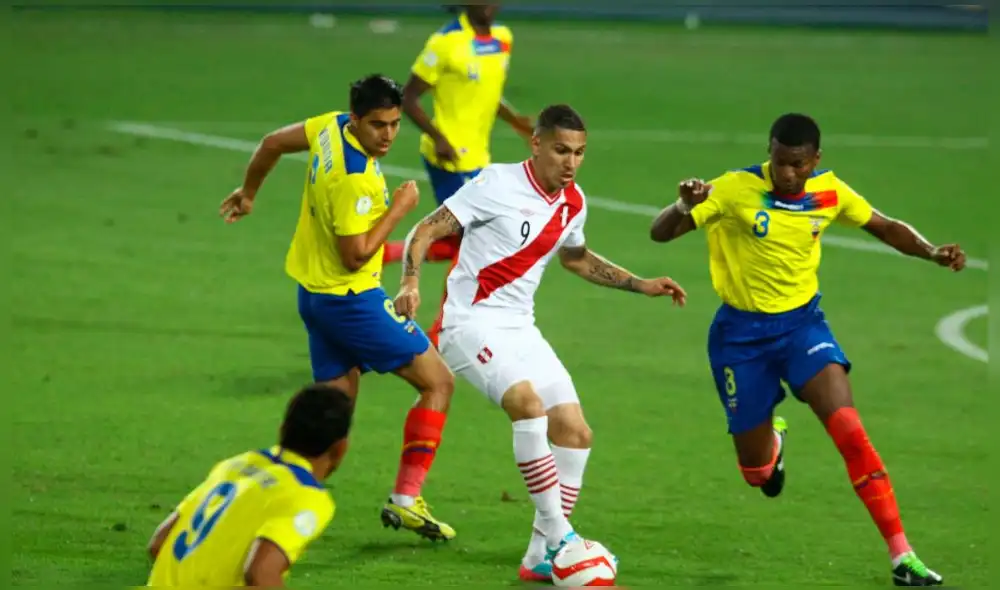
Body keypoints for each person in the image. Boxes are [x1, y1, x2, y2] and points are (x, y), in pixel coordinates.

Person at [649, 113, 965, 587]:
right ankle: (772, 444)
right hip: (739, 337)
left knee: (850, 432)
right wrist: (681, 205)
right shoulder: (733, 189)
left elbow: (884, 226)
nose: (787, 174)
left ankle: (903, 556)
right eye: (779, 162)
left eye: (797, 164)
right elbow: (661, 233)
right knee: (757, 476)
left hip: (803, 328)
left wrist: (932, 251)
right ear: (769, 154)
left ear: (815, 160)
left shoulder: (831, 192)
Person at [394, 104, 687, 582]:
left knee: (575, 432)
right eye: (560, 150)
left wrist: (640, 283)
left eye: (579, 153)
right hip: (468, 325)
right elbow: (426, 228)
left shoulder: (574, 202)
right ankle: (561, 536)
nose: (570, 162)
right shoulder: (496, 184)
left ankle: (537, 557)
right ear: (536, 144)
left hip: (520, 328)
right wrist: (410, 282)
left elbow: (576, 259)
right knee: (529, 407)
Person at [218, 74, 457, 542]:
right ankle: (407, 500)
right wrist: (402, 207)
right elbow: (355, 254)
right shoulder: (355, 180)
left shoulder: (329, 128)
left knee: (329, 428)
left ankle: (260, 512)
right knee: (439, 382)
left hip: (315, 299)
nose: (387, 135)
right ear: (356, 119)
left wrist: (249, 192)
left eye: (393, 124)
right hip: (351, 302)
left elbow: (270, 144)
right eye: (376, 126)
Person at [382, 3, 534, 349]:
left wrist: (514, 121)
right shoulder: (445, 42)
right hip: (447, 159)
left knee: (465, 238)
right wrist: (439, 138)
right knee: (475, 243)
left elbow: (488, 93)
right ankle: (441, 332)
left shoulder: (503, 40)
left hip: (479, 158)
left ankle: (389, 253)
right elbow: (408, 97)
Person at [146, 384, 353, 586]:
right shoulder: (307, 495)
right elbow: (260, 574)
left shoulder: (235, 464)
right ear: (340, 449)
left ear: (283, 430)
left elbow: (159, 543)